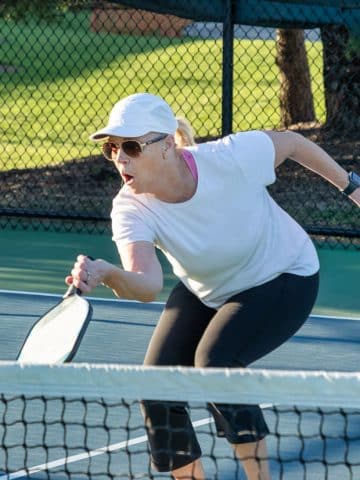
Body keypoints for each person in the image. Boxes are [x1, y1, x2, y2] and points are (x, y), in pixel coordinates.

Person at [66, 92, 360, 480]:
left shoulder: (230, 158)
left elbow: (291, 142)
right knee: (155, 388)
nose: (121, 157)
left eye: (133, 146)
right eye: (113, 147)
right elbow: (148, 284)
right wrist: (107, 273)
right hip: (207, 286)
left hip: (284, 275)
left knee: (215, 363)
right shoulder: (130, 208)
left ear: (167, 145)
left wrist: (352, 187)